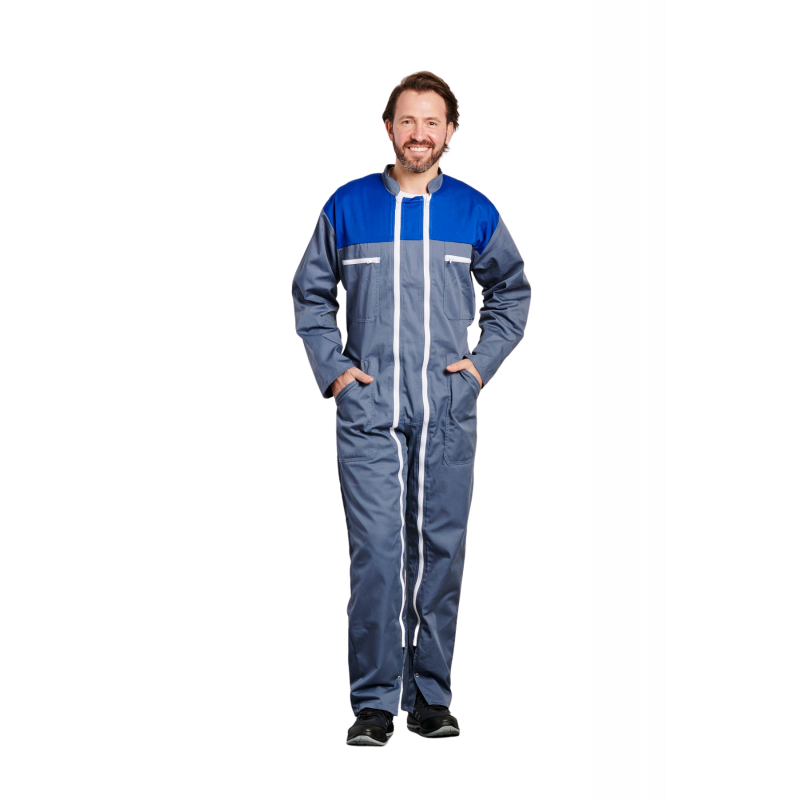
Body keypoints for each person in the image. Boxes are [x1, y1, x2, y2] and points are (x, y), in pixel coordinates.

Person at [291, 70, 531, 747]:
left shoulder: (476, 211)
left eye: (432, 121)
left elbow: (512, 295)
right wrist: (337, 375)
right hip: (368, 409)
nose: (419, 133)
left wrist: (479, 367)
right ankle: (374, 702)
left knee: (440, 553)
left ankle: (430, 697)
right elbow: (311, 297)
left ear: (450, 132)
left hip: (447, 409)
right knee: (376, 554)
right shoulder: (347, 206)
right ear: (388, 128)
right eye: (407, 120)